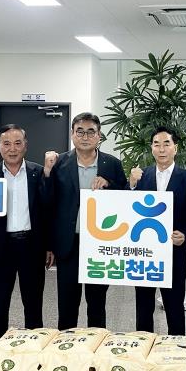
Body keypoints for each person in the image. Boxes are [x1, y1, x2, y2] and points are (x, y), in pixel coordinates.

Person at [43, 112, 126, 330]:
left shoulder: (112, 164)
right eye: (80, 132)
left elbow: (125, 200)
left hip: (100, 244)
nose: (85, 137)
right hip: (69, 243)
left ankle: (95, 346)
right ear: (72, 134)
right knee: (67, 305)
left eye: (91, 132)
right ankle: (66, 347)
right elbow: (49, 204)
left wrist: (109, 184)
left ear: (99, 135)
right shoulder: (59, 163)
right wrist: (47, 172)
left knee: (97, 304)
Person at [0, 124, 52, 349]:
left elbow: (48, 210)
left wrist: (49, 246)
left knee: (34, 306)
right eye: (6, 144)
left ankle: (35, 357)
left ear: (25, 146)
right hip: (0, 247)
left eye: (18, 143)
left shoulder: (39, 172)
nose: (12, 149)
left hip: (32, 246)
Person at [129, 127, 186, 335]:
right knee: (143, 309)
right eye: (156, 144)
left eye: (166, 144)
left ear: (175, 148)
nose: (161, 149)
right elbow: (127, 208)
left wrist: (185, 235)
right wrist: (131, 185)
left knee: (175, 309)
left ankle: (176, 349)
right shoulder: (141, 176)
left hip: (174, 254)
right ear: (151, 148)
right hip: (144, 256)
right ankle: (144, 347)